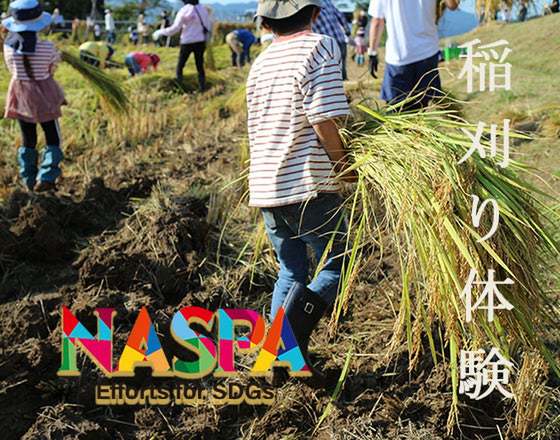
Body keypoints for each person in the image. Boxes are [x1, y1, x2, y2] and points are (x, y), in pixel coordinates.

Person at [248, 0, 354, 380]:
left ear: (266, 23)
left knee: (291, 272)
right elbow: (323, 118)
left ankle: (278, 358)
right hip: (307, 185)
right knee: (340, 262)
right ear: (314, 13)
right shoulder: (320, 46)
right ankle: (285, 342)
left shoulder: (260, 63)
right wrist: (344, 166)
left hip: (266, 187)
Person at [2, 0, 66, 192]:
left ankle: (29, 180)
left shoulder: (7, 47)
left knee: (28, 138)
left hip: (20, 94)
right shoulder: (48, 47)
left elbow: (11, 70)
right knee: (53, 135)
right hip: (44, 94)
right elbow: (51, 70)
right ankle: (46, 176)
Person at [368, 0, 460, 110]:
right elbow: (452, 5)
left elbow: (377, 21)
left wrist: (372, 52)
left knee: (396, 109)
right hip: (428, 53)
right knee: (421, 106)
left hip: (400, 56)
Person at [152, 0, 213, 91]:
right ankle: (202, 88)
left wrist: (160, 32)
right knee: (200, 66)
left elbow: (175, 29)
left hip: (187, 41)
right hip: (200, 41)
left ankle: (179, 86)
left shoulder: (184, 10)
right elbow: (208, 27)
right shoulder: (204, 10)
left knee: (180, 65)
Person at [312, 0, 351, 80]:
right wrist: (347, 30)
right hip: (340, 39)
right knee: (341, 69)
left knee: (329, 73)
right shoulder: (326, 1)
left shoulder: (309, 6)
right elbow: (340, 15)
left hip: (326, 43)